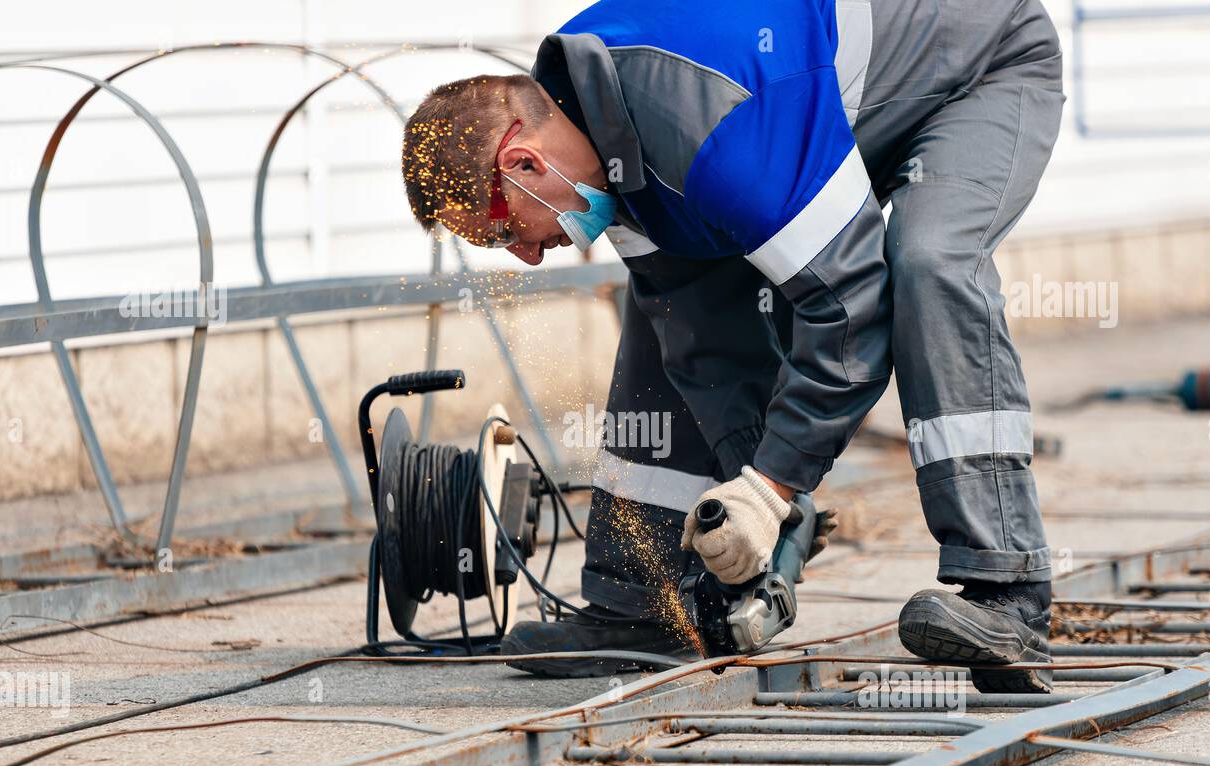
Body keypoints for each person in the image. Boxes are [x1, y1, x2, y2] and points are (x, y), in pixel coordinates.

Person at [401, 0, 1064, 692]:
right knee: (666, 317)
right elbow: (702, 330)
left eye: (505, 233)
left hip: (980, 69)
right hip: (818, 99)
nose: (527, 258)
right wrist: (758, 507)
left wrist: (773, 486)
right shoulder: (598, 136)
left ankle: (1009, 594)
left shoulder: (712, 131)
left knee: (929, 262)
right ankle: (643, 601)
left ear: (524, 162)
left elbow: (852, 310)